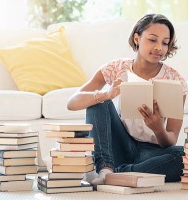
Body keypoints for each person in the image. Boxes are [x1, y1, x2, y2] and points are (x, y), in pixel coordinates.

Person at [67, 14, 188, 185]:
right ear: (137, 38)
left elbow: (171, 139)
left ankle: (115, 175)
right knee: (98, 102)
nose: (159, 48)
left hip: (151, 153)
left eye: (165, 42)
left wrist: (159, 129)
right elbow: (72, 102)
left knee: (184, 156)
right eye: (152, 40)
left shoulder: (177, 82)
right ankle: (106, 168)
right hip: (118, 146)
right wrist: (105, 95)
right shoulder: (116, 68)